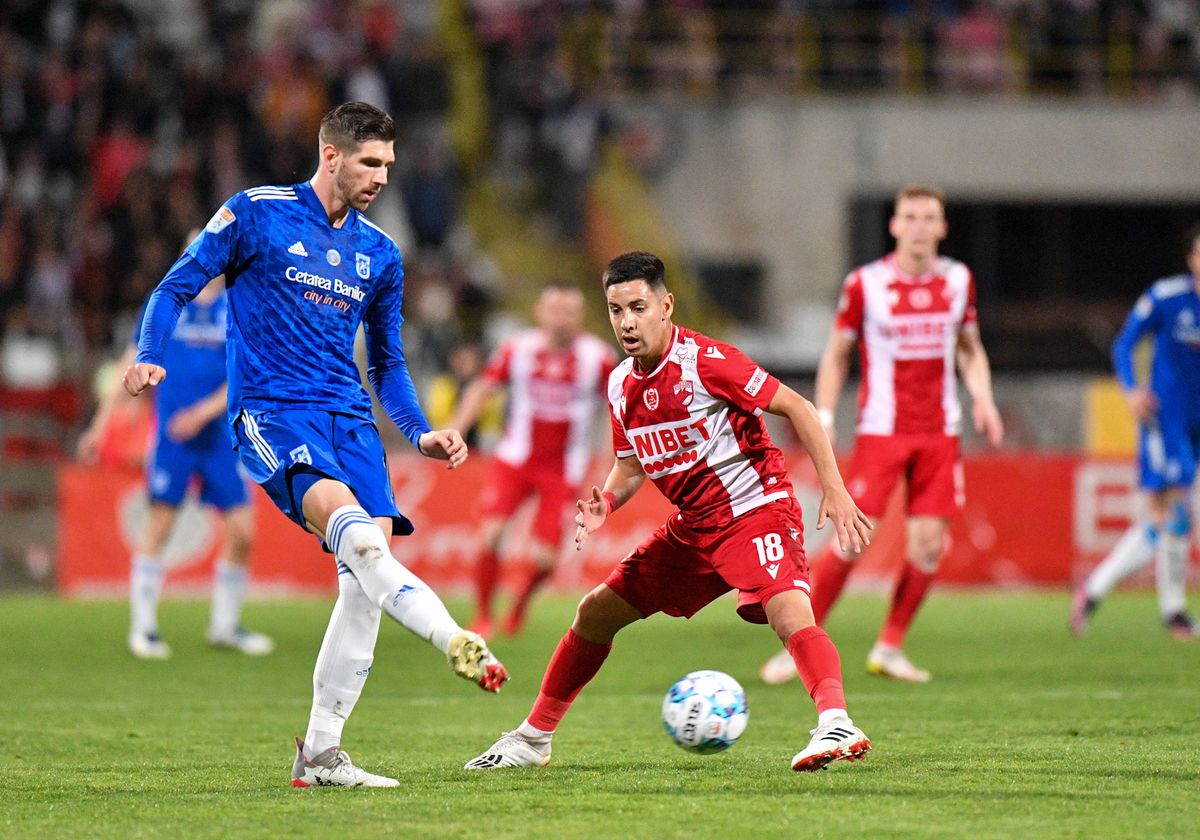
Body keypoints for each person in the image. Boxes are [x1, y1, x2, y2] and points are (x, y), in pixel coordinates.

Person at [123, 102, 507, 789]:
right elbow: (174, 286)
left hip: (352, 424)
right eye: (370, 162)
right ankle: (454, 640)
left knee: (364, 583)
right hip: (273, 414)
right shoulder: (255, 212)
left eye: (388, 164)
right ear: (332, 156)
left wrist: (419, 431)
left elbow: (387, 362)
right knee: (361, 542)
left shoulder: (380, 253)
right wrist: (152, 352)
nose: (382, 176)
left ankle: (322, 754)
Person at [464, 251, 874, 773]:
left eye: (638, 307)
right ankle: (532, 739)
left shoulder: (706, 362)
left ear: (666, 305)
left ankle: (836, 723)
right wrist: (606, 502)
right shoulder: (619, 385)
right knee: (595, 613)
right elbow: (631, 465)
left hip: (755, 508)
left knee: (787, 610)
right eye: (616, 311)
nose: (627, 322)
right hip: (693, 527)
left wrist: (833, 488)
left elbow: (798, 407)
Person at [760, 184, 1004, 686]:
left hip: (940, 432)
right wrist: (823, 415)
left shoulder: (958, 280)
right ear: (894, 226)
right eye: (909, 216)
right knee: (852, 539)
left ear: (942, 226)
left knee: (928, 545)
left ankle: (890, 647)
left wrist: (982, 395)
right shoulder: (865, 284)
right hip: (881, 432)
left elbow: (970, 347)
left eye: (928, 217)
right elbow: (836, 354)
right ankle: (799, 646)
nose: (918, 226)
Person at [78, 264, 274, 660]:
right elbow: (130, 361)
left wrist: (201, 414)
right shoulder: (165, 303)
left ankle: (224, 627)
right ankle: (143, 629)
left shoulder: (237, 307)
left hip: (219, 436)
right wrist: (101, 425)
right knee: (160, 523)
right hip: (171, 437)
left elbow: (245, 375)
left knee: (242, 531)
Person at [451, 284, 617, 637]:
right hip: (515, 461)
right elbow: (482, 387)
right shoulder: (518, 348)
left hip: (564, 469)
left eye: (569, 311)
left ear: (581, 317)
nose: (561, 319)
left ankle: (521, 602)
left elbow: (614, 410)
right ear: (539, 314)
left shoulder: (597, 357)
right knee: (491, 534)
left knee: (545, 559)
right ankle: (482, 615)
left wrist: (607, 464)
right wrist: (454, 431)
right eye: (554, 310)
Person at [1071, 227, 1200, 640]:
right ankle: (1174, 611)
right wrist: (1130, 389)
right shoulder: (1166, 297)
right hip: (1166, 418)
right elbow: (1125, 344)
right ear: (1192, 258)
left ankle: (1093, 590)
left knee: (1165, 519)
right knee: (1174, 510)